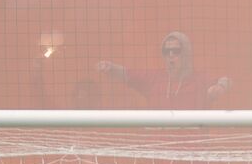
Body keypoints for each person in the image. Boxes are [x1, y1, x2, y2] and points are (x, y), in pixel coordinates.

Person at [97, 32, 231, 109]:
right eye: (167, 51)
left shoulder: (199, 79)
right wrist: (111, 68)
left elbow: (226, 80)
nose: (171, 55)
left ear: (186, 54)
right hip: (161, 154)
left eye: (176, 51)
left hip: (192, 154)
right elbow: (128, 75)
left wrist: (220, 87)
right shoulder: (154, 79)